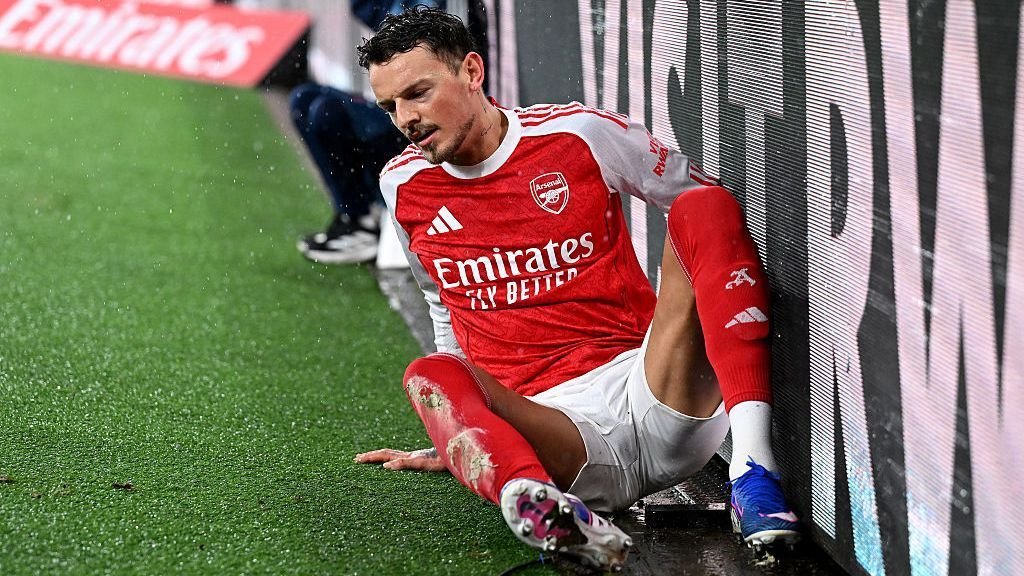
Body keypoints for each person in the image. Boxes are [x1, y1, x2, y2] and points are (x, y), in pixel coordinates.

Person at [352, 8, 800, 571]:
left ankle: (754, 473)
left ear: (471, 71)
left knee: (704, 207)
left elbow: (704, 215)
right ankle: (536, 503)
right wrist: (465, 433)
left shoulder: (578, 133)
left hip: (655, 391)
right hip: (558, 441)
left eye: (418, 93)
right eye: (390, 106)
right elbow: (445, 308)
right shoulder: (402, 183)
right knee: (429, 374)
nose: (406, 119)